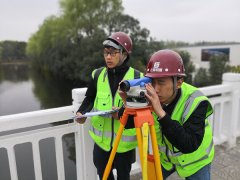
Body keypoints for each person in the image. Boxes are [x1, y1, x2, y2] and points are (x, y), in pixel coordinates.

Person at [76, 31, 143, 180]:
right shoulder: (98, 75)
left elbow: (140, 109)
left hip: (124, 144)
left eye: (113, 53)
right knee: (104, 176)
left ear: (125, 54)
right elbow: (90, 98)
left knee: (123, 176)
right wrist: (82, 113)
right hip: (102, 143)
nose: (108, 57)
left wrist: (120, 113)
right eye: (106, 53)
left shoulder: (137, 78)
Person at [143, 49, 214, 179]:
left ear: (179, 82)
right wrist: (127, 100)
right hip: (166, 160)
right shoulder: (152, 95)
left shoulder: (197, 101)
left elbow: (189, 143)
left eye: (161, 82)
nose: (156, 89)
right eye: (153, 82)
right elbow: (129, 123)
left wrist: (160, 112)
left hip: (195, 161)